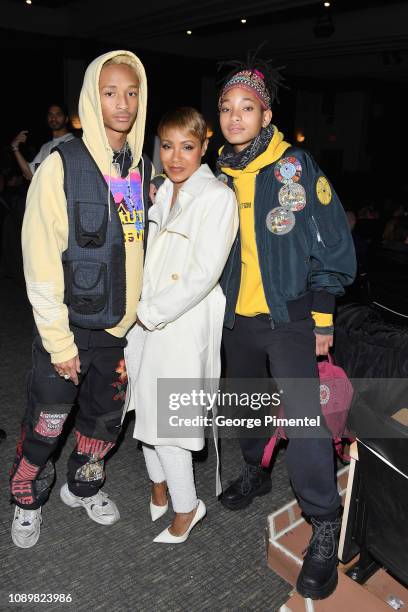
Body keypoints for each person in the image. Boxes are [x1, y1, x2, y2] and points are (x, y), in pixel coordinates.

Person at [216, 56, 356, 599]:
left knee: (304, 422)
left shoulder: (294, 168)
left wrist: (322, 317)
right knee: (246, 403)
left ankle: (324, 520)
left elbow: (333, 246)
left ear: (266, 113)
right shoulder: (217, 173)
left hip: (291, 319)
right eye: (226, 108)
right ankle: (256, 469)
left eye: (246, 108)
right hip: (237, 320)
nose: (234, 117)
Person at [10, 50, 152, 548]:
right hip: (67, 331)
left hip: (117, 331)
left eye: (132, 92)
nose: (123, 103)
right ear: (92, 97)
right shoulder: (60, 164)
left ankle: (83, 485)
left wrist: (135, 321)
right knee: (47, 423)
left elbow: (135, 251)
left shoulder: (138, 166)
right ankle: (26, 499)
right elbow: (40, 258)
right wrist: (58, 341)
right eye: (110, 92)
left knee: (102, 421)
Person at [125, 107, 238, 543]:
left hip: (182, 319)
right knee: (142, 403)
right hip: (147, 315)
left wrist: (148, 313)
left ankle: (187, 506)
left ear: (204, 147)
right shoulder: (163, 191)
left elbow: (202, 274)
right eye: (167, 146)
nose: (175, 157)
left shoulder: (216, 196)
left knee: (169, 419)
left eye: (187, 147)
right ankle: (158, 484)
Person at [11, 104, 75, 181]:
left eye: (58, 114)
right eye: (50, 114)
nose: (53, 118)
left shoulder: (73, 142)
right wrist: (15, 148)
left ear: (66, 119)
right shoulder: (46, 147)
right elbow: (30, 174)